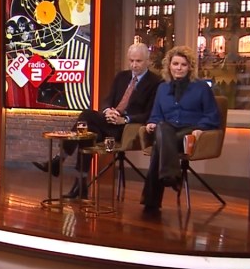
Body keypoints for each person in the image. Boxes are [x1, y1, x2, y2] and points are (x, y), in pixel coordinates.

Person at [33, 42, 162, 198]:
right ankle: (79, 187)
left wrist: (124, 119)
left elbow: (150, 113)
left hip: (126, 129)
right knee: (86, 135)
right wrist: (108, 111)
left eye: (138, 61)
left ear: (148, 60)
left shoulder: (156, 82)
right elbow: (108, 99)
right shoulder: (122, 76)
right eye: (131, 60)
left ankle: (59, 161)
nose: (134, 65)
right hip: (108, 123)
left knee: (86, 116)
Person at [141, 45, 220, 211]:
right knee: (162, 129)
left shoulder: (201, 88)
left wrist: (201, 128)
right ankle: (171, 175)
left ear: (190, 67)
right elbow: (156, 115)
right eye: (175, 64)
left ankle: (151, 201)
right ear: (169, 66)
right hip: (167, 130)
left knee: (159, 144)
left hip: (188, 132)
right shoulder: (162, 88)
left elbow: (213, 116)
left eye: (183, 65)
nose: (179, 68)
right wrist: (151, 123)